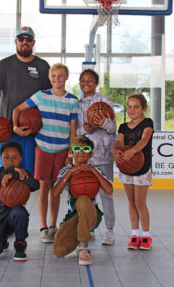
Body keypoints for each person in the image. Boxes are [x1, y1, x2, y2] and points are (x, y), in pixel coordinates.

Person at [13, 63, 78, 243]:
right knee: (43, 187)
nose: (57, 79)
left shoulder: (73, 101)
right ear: (50, 78)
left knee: (55, 190)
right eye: (53, 76)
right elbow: (17, 109)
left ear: (66, 77)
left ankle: (52, 225)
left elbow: (73, 131)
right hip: (43, 147)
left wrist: (70, 154)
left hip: (62, 150)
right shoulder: (41, 96)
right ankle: (42, 227)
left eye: (60, 76)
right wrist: (15, 126)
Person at [0, 26, 51, 175]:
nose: (25, 42)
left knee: (27, 176)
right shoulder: (4, 64)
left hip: (31, 131)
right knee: (7, 175)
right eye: (21, 39)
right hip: (6, 129)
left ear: (33, 42)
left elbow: (48, 98)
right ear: (16, 41)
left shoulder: (42, 66)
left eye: (28, 39)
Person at [52, 135, 113, 265]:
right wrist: (69, 173)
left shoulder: (95, 169)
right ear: (71, 153)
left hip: (91, 215)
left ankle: (84, 247)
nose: (81, 153)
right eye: (77, 149)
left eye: (85, 149)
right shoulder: (66, 170)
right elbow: (55, 193)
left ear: (90, 154)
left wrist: (93, 171)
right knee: (59, 250)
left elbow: (109, 190)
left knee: (83, 199)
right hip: (73, 215)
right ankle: (77, 240)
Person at [76, 69, 116, 245]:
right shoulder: (76, 104)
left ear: (96, 83)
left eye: (90, 80)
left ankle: (109, 231)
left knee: (106, 194)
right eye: (83, 80)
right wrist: (86, 128)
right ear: (79, 83)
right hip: (85, 158)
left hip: (104, 156)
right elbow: (76, 132)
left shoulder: (105, 101)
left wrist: (104, 123)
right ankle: (89, 228)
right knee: (86, 195)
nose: (86, 83)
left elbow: (113, 128)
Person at [0, 141, 39, 261]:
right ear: (1, 157)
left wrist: (15, 174)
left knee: (20, 212)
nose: (11, 161)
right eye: (6, 157)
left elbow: (35, 185)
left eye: (15, 158)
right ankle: (2, 238)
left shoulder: (23, 174)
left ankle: (20, 244)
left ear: (21, 158)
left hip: (13, 216)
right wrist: (9, 172)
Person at [113, 93, 154, 250]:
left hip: (142, 169)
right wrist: (115, 150)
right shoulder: (123, 126)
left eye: (136, 107)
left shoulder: (147, 123)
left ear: (143, 109)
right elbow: (119, 141)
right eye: (129, 107)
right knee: (131, 202)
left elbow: (144, 139)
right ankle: (135, 234)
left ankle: (146, 236)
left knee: (140, 203)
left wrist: (133, 151)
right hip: (126, 169)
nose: (132, 110)